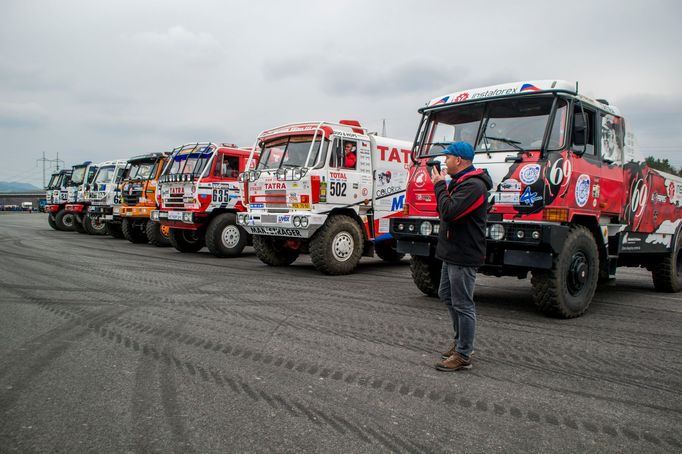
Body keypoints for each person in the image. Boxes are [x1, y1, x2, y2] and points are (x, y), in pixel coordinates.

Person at [430, 141, 492, 372]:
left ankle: (464, 353)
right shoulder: (460, 183)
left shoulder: (474, 186)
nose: (445, 161)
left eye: (448, 157)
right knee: (445, 294)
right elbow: (445, 210)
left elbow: (449, 212)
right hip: (453, 251)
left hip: (464, 253)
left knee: (463, 303)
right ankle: (460, 342)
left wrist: (438, 185)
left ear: (459, 160)